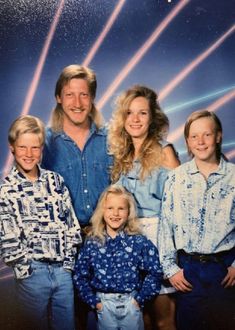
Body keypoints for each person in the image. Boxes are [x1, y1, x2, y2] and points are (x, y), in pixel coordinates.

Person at [108, 85, 180, 330]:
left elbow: (178, 206)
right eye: (130, 113)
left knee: (163, 320)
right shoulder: (122, 156)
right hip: (129, 242)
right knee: (140, 319)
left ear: (153, 118)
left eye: (143, 113)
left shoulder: (164, 151)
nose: (135, 119)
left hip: (158, 241)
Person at [0, 115, 82, 330]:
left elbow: (71, 223)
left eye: (35, 148)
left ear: (42, 149)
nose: (29, 154)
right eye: (22, 147)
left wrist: (68, 264)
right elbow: (7, 237)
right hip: (32, 273)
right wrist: (24, 268)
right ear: (12, 148)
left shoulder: (55, 181)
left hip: (62, 272)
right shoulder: (7, 190)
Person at [159, 110, 235, 330]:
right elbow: (166, 226)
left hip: (223, 270)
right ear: (187, 141)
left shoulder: (232, 176)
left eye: (207, 135)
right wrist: (170, 268)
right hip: (189, 269)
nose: (200, 142)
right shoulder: (176, 177)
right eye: (194, 137)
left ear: (218, 136)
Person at [74, 185, 163, 330]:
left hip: (131, 304)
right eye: (110, 208)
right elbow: (80, 275)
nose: (115, 213)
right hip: (103, 304)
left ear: (129, 212)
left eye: (121, 208)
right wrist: (95, 303)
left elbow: (155, 271)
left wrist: (139, 300)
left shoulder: (139, 241)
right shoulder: (92, 242)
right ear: (102, 211)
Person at [41, 64, 112, 229]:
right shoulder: (44, 143)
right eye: (69, 95)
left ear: (92, 97)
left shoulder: (112, 138)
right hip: (62, 238)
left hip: (105, 238)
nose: (77, 103)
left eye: (84, 95)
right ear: (59, 97)